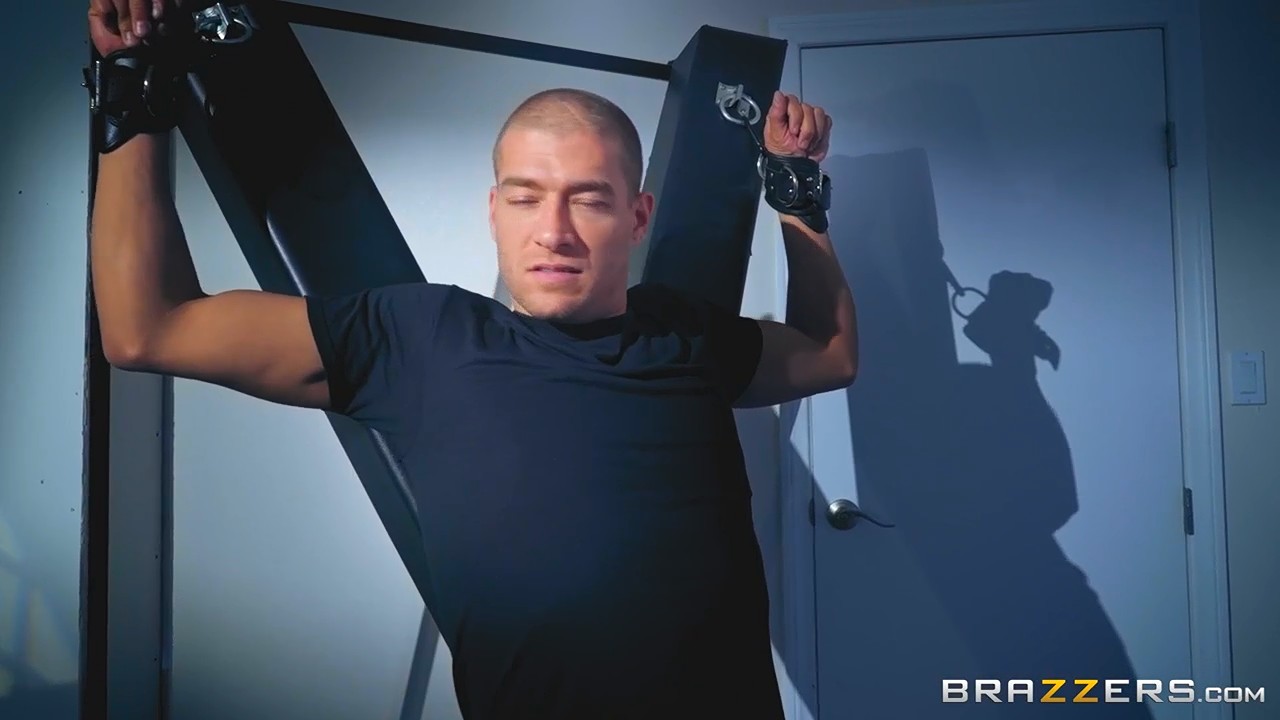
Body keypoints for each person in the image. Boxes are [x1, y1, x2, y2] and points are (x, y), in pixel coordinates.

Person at [87, 1, 858, 718]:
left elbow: (830, 355)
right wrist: (133, 86)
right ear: (494, 212)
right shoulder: (418, 339)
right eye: (525, 197)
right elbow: (148, 328)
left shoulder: (685, 333)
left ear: (637, 216)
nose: (554, 230)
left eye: (589, 199)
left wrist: (797, 197)